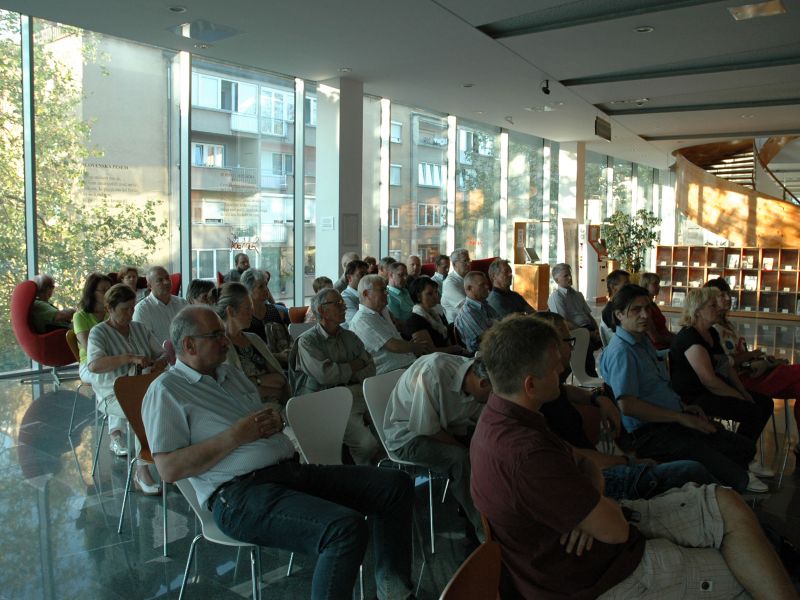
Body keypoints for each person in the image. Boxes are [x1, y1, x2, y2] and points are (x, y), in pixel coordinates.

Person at [470, 314, 796, 600]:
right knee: (747, 577)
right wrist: (590, 505)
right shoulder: (525, 453)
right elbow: (615, 530)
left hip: (602, 543)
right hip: (599, 578)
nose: (561, 369)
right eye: (554, 368)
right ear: (530, 384)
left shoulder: (505, 417)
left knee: (727, 502)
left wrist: (585, 505)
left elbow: (583, 464)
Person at [142, 305, 415, 600]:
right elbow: (169, 469)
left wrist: (273, 420)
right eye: (216, 335)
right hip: (238, 495)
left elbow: (258, 418)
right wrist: (235, 436)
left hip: (287, 472)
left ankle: (393, 589)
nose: (225, 340)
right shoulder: (167, 390)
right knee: (343, 529)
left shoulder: (229, 374)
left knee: (394, 485)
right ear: (189, 345)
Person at [537, 311, 719, 500]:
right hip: (590, 478)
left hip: (601, 464)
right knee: (691, 470)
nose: (571, 347)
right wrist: (627, 461)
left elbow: (565, 390)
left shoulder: (551, 386)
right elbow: (570, 455)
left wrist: (597, 398)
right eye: (568, 340)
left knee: (703, 458)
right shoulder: (621, 352)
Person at [599, 285, 763, 493]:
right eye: (636, 310)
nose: (645, 315)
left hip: (671, 419)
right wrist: (680, 417)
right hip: (650, 434)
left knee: (743, 447)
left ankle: (729, 483)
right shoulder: (622, 352)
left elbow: (657, 388)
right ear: (619, 314)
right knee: (732, 470)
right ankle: (728, 488)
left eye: (648, 308)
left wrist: (684, 408)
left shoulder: (641, 342)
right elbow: (628, 405)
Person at [384, 353, 491, 540]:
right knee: (460, 458)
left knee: (491, 447)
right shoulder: (433, 372)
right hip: (408, 437)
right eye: (493, 393)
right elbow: (426, 428)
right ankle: (484, 531)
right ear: (482, 383)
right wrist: (465, 447)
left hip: (444, 428)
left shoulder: (476, 383)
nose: (493, 398)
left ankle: (496, 509)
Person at [670, 287, 774, 476]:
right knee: (751, 411)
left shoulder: (711, 332)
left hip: (710, 391)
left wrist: (743, 391)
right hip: (694, 397)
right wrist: (737, 396)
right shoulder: (690, 337)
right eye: (712, 305)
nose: (719, 308)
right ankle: (740, 460)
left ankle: (739, 456)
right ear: (697, 310)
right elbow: (709, 380)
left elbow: (725, 366)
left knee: (764, 403)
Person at [706, 277, 800, 458]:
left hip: (752, 373)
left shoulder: (728, 325)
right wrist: (752, 355)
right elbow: (727, 363)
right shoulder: (712, 328)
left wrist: (763, 359)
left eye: (728, 294)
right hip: (740, 380)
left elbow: (741, 354)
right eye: (721, 295)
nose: (728, 299)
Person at [87, 283, 167, 493]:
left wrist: (159, 362)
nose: (130, 314)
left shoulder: (139, 328)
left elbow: (161, 353)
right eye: (125, 309)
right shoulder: (99, 332)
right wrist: (129, 358)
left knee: (170, 406)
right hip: (112, 394)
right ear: (109, 308)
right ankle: (141, 470)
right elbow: (94, 365)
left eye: (132, 308)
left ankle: (170, 459)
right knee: (145, 411)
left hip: (142, 389)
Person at [289, 289, 381, 465]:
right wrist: (354, 366)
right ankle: (364, 472)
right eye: (338, 304)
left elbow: (370, 368)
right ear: (322, 310)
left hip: (356, 393)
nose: (344, 307)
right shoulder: (307, 341)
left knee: (391, 424)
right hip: (326, 400)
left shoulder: (349, 337)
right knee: (366, 444)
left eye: (343, 303)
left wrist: (342, 370)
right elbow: (325, 375)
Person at [215, 283, 289, 408]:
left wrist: (254, 381)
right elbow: (236, 392)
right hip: (247, 412)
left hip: (277, 407)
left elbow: (281, 380)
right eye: (248, 308)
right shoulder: (220, 348)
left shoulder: (254, 339)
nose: (252, 312)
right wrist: (265, 384)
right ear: (230, 311)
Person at [349, 274, 431, 374]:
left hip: (407, 364)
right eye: (382, 290)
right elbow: (394, 346)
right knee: (437, 362)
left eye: (386, 289)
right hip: (389, 372)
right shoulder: (362, 320)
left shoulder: (384, 311)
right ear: (366, 294)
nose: (386, 293)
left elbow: (400, 329)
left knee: (439, 361)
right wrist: (415, 346)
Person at [547, 262, 602, 377]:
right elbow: (563, 322)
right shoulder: (556, 297)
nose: (570, 278)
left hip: (588, 329)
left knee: (609, 341)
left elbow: (589, 316)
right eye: (565, 276)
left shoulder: (578, 295)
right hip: (574, 332)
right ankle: (589, 377)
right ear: (557, 280)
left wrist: (596, 330)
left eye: (570, 274)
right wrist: (588, 333)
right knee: (586, 345)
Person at [239, 268, 291, 368]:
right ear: (248, 290)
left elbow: (292, 337)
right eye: (261, 287)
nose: (266, 289)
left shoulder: (279, 312)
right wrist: (277, 356)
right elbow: (247, 353)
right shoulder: (244, 318)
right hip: (260, 369)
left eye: (266, 285)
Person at [403, 276, 467, 355]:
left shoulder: (435, 314)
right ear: (419, 297)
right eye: (429, 294)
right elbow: (428, 352)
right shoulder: (415, 321)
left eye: (436, 292)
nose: (435, 296)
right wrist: (453, 349)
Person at [132, 266, 188, 346]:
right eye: (160, 280)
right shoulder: (142, 310)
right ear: (149, 286)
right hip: (158, 353)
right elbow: (142, 343)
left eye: (167, 278)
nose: (166, 282)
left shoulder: (182, 303)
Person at [73, 273, 113, 381]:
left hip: (114, 359)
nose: (109, 294)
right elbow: (90, 349)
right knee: (114, 377)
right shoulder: (80, 316)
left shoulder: (112, 312)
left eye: (110, 290)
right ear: (91, 293)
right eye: (104, 290)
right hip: (90, 363)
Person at [453, 271, 498, 354]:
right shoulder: (467, 312)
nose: (487, 287)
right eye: (482, 285)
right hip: (482, 355)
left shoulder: (485, 305)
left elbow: (500, 324)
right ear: (469, 288)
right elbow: (487, 338)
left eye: (487, 284)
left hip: (495, 348)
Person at [639, 272, 674, 349]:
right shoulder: (646, 308)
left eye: (658, 284)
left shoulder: (653, 305)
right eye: (655, 284)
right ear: (645, 285)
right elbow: (655, 338)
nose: (659, 287)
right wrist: (674, 339)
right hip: (656, 348)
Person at [441, 248, 471, 322]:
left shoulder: (470, 277)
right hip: (458, 324)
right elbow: (468, 306)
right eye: (465, 261)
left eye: (469, 260)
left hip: (471, 319)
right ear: (454, 264)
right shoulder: (449, 283)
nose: (468, 264)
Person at [342, 259, 368, 324]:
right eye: (361, 274)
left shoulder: (368, 293)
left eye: (367, 274)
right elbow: (358, 323)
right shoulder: (345, 298)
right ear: (349, 278)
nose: (366, 278)